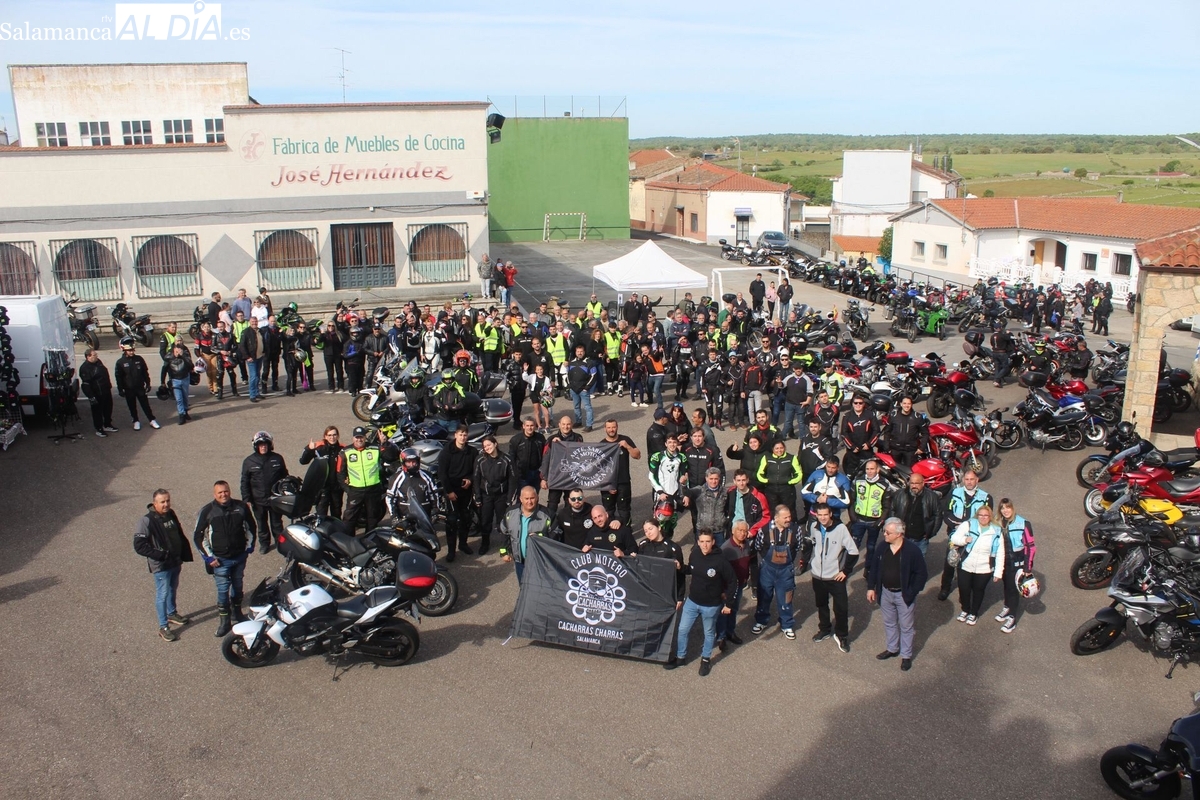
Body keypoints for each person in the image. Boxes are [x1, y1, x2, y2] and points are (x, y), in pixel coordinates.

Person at [664, 530, 735, 676]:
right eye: (702, 541)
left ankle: (706, 659)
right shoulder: (695, 554)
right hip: (692, 601)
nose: (705, 545)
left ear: (713, 542)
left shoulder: (720, 560)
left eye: (708, 541)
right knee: (683, 629)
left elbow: (733, 581)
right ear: (698, 542)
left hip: (711, 606)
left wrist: (729, 603)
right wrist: (680, 568)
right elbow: (691, 569)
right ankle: (681, 657)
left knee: (708, 633)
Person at [193, 480, 257, 636]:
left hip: (239, 557)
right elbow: (198, 536)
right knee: (223, 591)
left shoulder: (241, 507)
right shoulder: (207, 511)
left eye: (226, 491)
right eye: (220, 492)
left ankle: (237, 613)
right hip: (219, 560)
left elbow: (252, 527)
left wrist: (249, 548)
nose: (224, 494)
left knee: (238, 586)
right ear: (214, 494)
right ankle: (224, 621)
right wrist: (209, 558)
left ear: (230, 491)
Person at [867, 518, 927, 671]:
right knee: (889, 622)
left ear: (899, 534)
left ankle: (906, 655)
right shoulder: (882, 547)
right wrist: (871, 587)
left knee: (906, 627)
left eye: (888, 532)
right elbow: (874, 567)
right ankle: (892, 648)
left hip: (903, 595)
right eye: (884, 531)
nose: (885, 534)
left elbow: (921, 574)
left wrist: (912, 591)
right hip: (886, 592)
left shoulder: (912, 551)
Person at [133, 488, 193, 642]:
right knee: (162, 593)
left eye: (167, 501)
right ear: (155, 503)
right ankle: (163, 626)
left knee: (173, 588)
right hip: (161, 565)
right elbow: (139, 545)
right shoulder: (146, 521)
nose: (166, 504)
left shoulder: (170, 514)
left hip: (175, 561)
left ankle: (172, 613)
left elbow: (178, 534)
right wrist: (160, 555)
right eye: (162, 502)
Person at [807, 502, 859, 653]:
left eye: (825, 514)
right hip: (818, 575)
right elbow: (813, 543)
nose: (823, 518)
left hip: (835, 577)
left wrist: (845, 571)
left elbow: (853, 552)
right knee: (821, 604)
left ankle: (842, 635)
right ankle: (824, 629)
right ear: (816, 515)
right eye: (820, 515)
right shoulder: (814, 527)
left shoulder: (841, 528)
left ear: (830, 514)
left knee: (841, 608)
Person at [938, 470, 992, 601]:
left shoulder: (986, 497)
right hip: (955, 534)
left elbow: (987, 518)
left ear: (977, 480)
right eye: (966, 479)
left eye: (972, 479)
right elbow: (946, 513)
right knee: (950, 562)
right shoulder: (954, 493)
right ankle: (945, 588)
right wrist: (958, 526)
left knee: (968, 564)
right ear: (963, 480)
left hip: (974, 537)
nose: (969, 482)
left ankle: (967, 592)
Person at [950, 505, 1005, 625]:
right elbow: (954, 538)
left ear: (990, 517)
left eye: (986, 515)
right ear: (977, 515)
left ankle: (973, 613)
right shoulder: (968, 525)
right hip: (965, 565)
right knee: (964, 589)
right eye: (981, 515)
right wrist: (964, 540)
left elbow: (1001, 553)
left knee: (978, 590)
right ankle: (965, 609)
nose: (983, 518)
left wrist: (998, 572)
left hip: (984, 568)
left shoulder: (996, 531)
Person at [340, 426, 399, 535]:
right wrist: (347, 489)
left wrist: (385, 444)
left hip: (373, 489)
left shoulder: (375, 448)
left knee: (372, 517)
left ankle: (371, 540)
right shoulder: (345, 452)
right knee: (349, 517)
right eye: (357, 437)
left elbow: (390, 457)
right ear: (353, 438)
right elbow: (340, 472)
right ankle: (348, 540)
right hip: (355, 490)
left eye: (361, 437)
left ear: (365, 437)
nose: (359, 440)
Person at [752, 504, 799, 639]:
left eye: (789, 516)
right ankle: (761, 621)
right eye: (785, 517)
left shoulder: (795, 530)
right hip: (768, 570)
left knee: (786, 599)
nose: (788, 519)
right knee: (764, 596)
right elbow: (758, 546)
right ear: (776, 518)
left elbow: (799, 546)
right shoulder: (764, 530)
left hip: (786, 571)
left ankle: (787, 624)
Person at [240, 430, 288, 553]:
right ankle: (264, 544)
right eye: (260, 444)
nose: (263, 446)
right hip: (258, 500)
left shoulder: (277, 458)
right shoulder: (249, 461)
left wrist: (285, 493)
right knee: (261, 524)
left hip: (275, 499)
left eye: (265, 444)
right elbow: (244, 482)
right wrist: (246, 499)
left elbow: (285, 477)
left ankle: (280, 544)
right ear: (256, 446)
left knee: (277, 524)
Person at [438, 425, 478, 560]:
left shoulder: (472, 452)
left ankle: (463, 544)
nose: (463, 437)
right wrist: (449, 492)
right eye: (460, 434)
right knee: (452, 521)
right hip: (452, 491)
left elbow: (476, 471)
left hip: (466, 491)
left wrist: (470, 480)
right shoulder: (446, 452)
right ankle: (451, 551)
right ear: (455, 435)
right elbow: (442, 474)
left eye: (465, 435)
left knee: (466, 518)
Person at [997, 498, 1037, 634]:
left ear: (1013, 508)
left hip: (1018, 563)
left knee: (1014, 591)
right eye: (1002, 508)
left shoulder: (1024, 523)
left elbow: (1031, 547)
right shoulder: (998, 523)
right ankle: (1007, 607)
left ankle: (1012, 618)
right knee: (1007, 586)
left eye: (1008, 507)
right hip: (1004, 563)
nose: (1005, 510)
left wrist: (1027, 568)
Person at [500, 486, 555, 583]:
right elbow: (505, 532)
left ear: (537, 497)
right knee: (523, 586)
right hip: (519, 561)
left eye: (532, 498)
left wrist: (541, 536)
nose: (529, 502)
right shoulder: (510, 513)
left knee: (539, 587)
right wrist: (504, 552)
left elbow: (556, 535)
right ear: (520, 499)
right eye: (526, 498)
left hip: (540, 561)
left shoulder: (548, 515)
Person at [473, 435, 516, 555]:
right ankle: (485, 543)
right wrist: (477, 496)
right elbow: (476, 478)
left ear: (495, 444)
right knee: (485, 521)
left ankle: (504, 547)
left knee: (502, 522)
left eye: (489, 445)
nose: (487, 448)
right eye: (485, 446)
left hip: (502, 496)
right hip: (486, 495)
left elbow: (513, 479)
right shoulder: (480, 460)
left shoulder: (507, 459)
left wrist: (510, 498)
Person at [848, 459, 891, 580]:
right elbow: (851, 500)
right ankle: (847, 568)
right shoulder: (858, 480)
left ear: (877, 470)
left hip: (874, 522)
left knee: (871, 546)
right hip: (858, 520)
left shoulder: (884, 485)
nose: (869, 471)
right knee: (853, 545)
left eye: (872, 469)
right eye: (867, 469)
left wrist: (880, 522)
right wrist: (853, 517)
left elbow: (887, 506)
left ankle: (868, 568)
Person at [716, 519, 753, 649]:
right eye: (739, 530)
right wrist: (722, 590)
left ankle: (730, 632)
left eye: (745, 531)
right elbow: (719, 572)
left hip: (740, 585)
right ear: (733, 531)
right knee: (724, 612)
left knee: (734, 610)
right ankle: (721, 637)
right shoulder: (725, 549)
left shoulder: (747, 544)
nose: (742, 533)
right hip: (727, 588)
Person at [541, 415, 584, 520]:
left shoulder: (578, 438)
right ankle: (549, 522)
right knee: (553, 501)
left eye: (568, 424)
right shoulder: (551, 439)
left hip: (571, 477)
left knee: (570, 501)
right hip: (556, 476)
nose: (566, 426)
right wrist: (544, 478)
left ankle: (568, 522)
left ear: (572, 425)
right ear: (559, 425)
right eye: (563, 424)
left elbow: (582, 456)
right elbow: (546, 459)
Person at [648, 435, 690, 539]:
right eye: (670, 442)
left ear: (677, 444)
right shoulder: (657, 456)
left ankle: (668, 545)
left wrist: (685, 493)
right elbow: (651, 476)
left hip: (675, 494)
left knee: (671, 523)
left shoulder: (682, 457)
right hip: (661, 494)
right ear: (666, 444)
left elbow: (685, 476)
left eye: (674, 442)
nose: (672, 444)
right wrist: (659, 491)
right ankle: (657, 545)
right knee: (659, 522)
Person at [891, 473, 942, 556]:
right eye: (912, 483)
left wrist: (931, 532)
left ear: (923, 483)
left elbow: (938, 516)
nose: (914, 486)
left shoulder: (932, 497)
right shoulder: (900, 494)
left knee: (918, 565)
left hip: (921, 539)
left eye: (917, 483)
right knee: (902, 563)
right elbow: (892, 510)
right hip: (902, 537)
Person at [299, 426, 346, 518]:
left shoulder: (343, 449)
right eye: (329, 435)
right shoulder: (318, 447)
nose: (332, 437)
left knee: (336, 513)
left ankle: (335, 531)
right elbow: (303, 461)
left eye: (334, 435)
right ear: (325, 436)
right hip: (322, 488)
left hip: (337, 487)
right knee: (321, 514)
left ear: (338, 436)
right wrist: (309, 449)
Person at [601, 419, 641, 525]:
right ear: (605, 429)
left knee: (624, 510)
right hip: (607, 485)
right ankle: (610, 536)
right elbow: (598, 469)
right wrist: (607, 485)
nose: (611, 430)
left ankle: (626, 533)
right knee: (608, 511)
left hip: (623, 482)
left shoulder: (625, 439)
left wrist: (627, 446)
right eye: (609, 427)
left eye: (613, 427)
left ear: (617, 427)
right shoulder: (601, 445)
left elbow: (637, 455)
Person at [114, 339, 160, 430]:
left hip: (140, 387)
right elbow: (118, 377)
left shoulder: (139, 359)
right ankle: (135, 420)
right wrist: (120, 389)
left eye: (132, 350)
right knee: (132, 405)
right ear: (124, 350)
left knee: (145, 405)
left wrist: (148, 383)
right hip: (129, 389)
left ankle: (151, 419)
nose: (131, 352)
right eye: (129, 351)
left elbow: (145, 372)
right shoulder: (120, 362)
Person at [757, 439, 803, 518]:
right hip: (771, 489)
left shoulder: (792, 458)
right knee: (773, 510)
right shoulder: (766, 458)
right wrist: (767, 481)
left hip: (787, 490)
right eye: (777, 448)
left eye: (781, 448)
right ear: (773, 449)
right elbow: (760, 473)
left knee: (789, 510)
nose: (779, 450)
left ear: (784, 448)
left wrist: (789, 482)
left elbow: (799, 474)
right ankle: (774, 528)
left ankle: (792, 527)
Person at [78, 348, 118, 437]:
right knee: (97, 412)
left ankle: (107, 424)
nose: (96, 357)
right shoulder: (85, 368)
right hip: (96, 393)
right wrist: (91, 396)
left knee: (108, 408)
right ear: (88, 356)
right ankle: (99, 428)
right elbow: (86, 384)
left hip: (105, 390)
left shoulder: (98, 362)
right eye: (94, 355)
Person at [840, 395, 880, 477]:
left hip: (867, 450)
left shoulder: (870, 415)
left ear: (864, 404)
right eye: (856, 403)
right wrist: (852, 447)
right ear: (852, 404)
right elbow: (844, 433)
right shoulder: (847, 416)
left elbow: (877, 431)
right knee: (851, 474)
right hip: (852, 451)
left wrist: (869, 444)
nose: (858, 405)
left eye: (860, 403)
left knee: (868, 473)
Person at [885, 396, 928, 468]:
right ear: (901, 404)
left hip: (910, 451)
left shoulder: (917, 417)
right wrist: (887, 447)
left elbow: (925, 433)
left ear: (911, 405)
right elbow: (887, 432)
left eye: (909, 404)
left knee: (909, 472)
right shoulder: (893, 416)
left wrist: (921, 448)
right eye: (904, 403)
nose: (906, 406)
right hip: (895, 450)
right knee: (894, 472)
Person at [566, 344, 597, 432]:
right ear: (575, 352)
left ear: (584, 352)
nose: (579, 353)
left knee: (587, 407)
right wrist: (569, 386)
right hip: (573, 389)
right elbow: (568, 375)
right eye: (578, 351)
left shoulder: (589, 362)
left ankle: (589, 425)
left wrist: (587, 387)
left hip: (583, 389)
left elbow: (593, 376)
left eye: (581, 351)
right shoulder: (571, 362)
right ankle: (578, 421)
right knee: (576, 406)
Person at [510, 418, 547, 490]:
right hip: (522, 474)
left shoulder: (540, 438)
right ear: (523, 426)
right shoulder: (516, 440)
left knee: (534, 496)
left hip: (537, 473)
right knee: (522, 498)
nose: (530, 428)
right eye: (527, 425)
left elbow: (546, 454)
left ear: (535, 426)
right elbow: (511, 458)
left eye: (532, 425)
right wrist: (515, 473)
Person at [164, 342, 194, 425]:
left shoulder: (185, 356)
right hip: (175, 380)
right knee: (179, 399)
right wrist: (162, 382)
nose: (177, 353)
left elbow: (191, 366)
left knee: (185, 397)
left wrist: (183, 357)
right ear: (174, 350)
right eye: (176, 351)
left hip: (185, 379)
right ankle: (181, 415)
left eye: (179, 352)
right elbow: (164, 369)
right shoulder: (168, 357)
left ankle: (185, 411)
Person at [779, 362, 811, 440]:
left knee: (801, 422)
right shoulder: (789, 377)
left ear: (802, 369)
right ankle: (782, 436)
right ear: (793, 369)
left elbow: (810, 391)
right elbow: (782, 385)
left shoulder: (806, 379)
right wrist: (779, 382)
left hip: (801, 404)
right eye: (796, 369)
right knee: (788, 421)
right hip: (789, 403)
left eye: (799, 369)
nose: (798, 370)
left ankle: (803, 438)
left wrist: (807, 402)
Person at [239, 318, 266, 402]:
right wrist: (247, 357)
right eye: (252, 322)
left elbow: (264, 342)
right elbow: (242, 346)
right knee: (253, 377)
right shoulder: (246, 332)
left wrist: (264, 351)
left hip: (260, 356)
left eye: (255, 321)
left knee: (257, 376)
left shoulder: (260, 331)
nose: (254, 323)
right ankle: (252, 394)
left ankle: (257, 392)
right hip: (251, 358)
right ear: (250, 323)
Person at [526, 362, 555, 432]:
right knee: (537, 411)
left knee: (546, 412)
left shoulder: (546, 378)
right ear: (535, 371)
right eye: (538, 370)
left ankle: (547, 426)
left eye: (541, 369)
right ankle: (539, 426)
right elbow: (525, 378)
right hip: (534, 394)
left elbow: (549, 388)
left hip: (543, 396)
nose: (539, 371)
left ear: (543, 370)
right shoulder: (532, 377)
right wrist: (525, 371)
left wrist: (545, 392)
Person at [321, 321, 345, 393]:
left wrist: (343, 351)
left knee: (339, 371)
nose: (331, 327)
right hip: (328, 355)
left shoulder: (338, 334)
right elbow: (319, 340)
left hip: (337, 354)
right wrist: (322, 333)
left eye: (332, 326)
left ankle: (340, 386)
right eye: (329, 326)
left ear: (335, 327)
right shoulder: (325, 335)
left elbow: (344, 342)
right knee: (330, 371)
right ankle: (331, 387)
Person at [157, 321, 179, 389]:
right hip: (169, 357)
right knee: (165, 367)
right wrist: (166, 359)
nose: (174, 329)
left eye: (175, 327)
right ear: (168, 327)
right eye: (172, 327)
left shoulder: (178, 334)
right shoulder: (164, 336)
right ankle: (163, 383)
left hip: (177, 357)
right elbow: (162, 351)